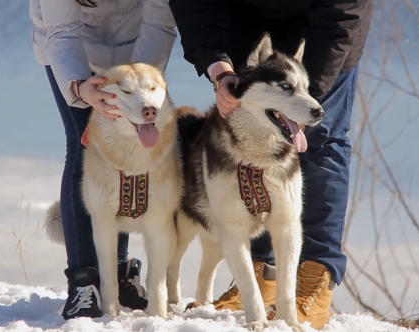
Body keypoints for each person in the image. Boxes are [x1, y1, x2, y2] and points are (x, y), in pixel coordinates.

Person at [169, 0, 373, 329]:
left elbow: (342, 16)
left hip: (325, 33)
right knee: (248, 143)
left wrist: (310, 96)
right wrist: (218, 64)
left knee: (321, 140)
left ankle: (313, 279)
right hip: (246, 24)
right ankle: (261, 272)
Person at [29, 0, 176, 319]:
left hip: (136, 43)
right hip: (70, 46)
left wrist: (137, 87)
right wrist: (80, 88)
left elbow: (160, 23)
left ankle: (119, 274)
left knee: (127, 148)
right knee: (85, 146)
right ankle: (83, 283)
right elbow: (62, 31)